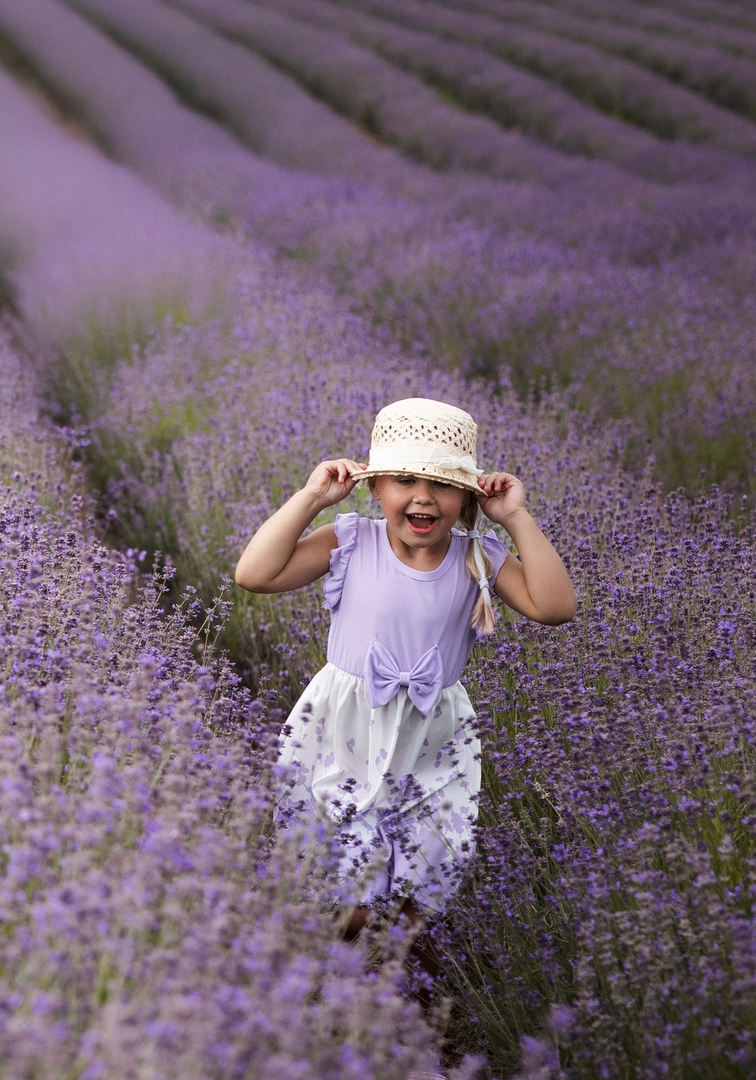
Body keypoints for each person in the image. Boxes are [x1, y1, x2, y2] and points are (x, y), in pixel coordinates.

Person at [233, 398, 575, 936]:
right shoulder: (351, 539)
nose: (423, 496)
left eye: (442, 484)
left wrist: (515, 518)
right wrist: (311, 498)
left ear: (468, 495)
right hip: (348, 732)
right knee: (346, 890)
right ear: (375, 487)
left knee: (421, 895)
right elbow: (254, 575)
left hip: (432, 739)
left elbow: (555, 607)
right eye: (405, 481)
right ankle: (334, 962)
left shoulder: (478, 556)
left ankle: (400, 974)